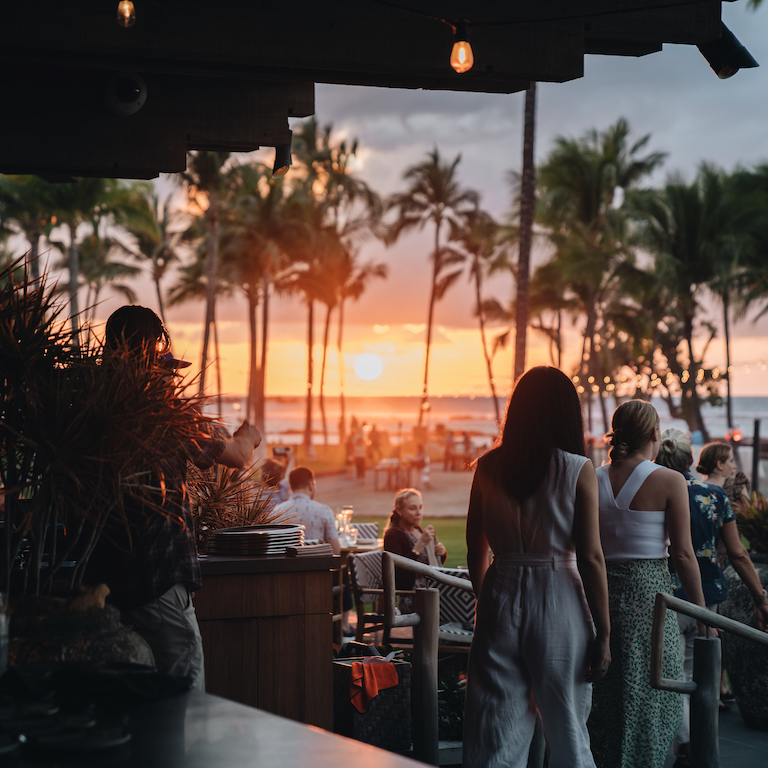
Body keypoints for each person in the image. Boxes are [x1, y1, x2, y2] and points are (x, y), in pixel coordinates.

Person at [86, 305, 262, 691]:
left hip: (103, 576)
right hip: (157, 575)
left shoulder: (89, 409)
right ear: (153, 351)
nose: (170, 378)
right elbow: (234, 456)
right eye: (166, 365)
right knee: (183, 686)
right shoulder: (166, 411)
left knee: (126, 692)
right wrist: (250, 434)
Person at [463, 367, 611, 768]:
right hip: (559, 595)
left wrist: (485, 599)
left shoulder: (488, 467)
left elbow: (474, 545)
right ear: (567, 413)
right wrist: (604, 631)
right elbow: (591, 557)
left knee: (495, 728)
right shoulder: (577, 469)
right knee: (567, 729)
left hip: (501, 590)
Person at [588, 403, 707, 768]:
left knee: (605, 692)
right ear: (655, 434)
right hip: (650, 596)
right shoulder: (670, 480)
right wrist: (701, 612)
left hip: (599, 591)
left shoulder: (591, 477)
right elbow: (684, 555)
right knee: (657, 689)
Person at [658, 437, 768, 766]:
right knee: (699, 675)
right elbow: (737, 552)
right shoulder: (714, 495)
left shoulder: (654, 491)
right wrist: (759, 597)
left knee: (668, 674)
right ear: (691, 460)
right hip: (708, 598)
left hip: (666, 595)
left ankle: (683, 746)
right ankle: (698, 748)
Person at [383, 488, 447, 614]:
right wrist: (420, 544)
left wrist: (441, 553)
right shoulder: (393, 535)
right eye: (412, 508)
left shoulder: (417, 529)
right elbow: (400, 576)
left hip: (431, 590)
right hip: (411, 595)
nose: (418, 513)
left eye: (420, 507)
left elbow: (430, 564)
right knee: (455, 605)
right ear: (400, 511)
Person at [273, 467, 340, 555]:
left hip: (286, 568)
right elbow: (335, 551)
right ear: (310, 485)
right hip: (318, 567)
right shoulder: (324, 511)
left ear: (291, 487)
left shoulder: (277, 512)